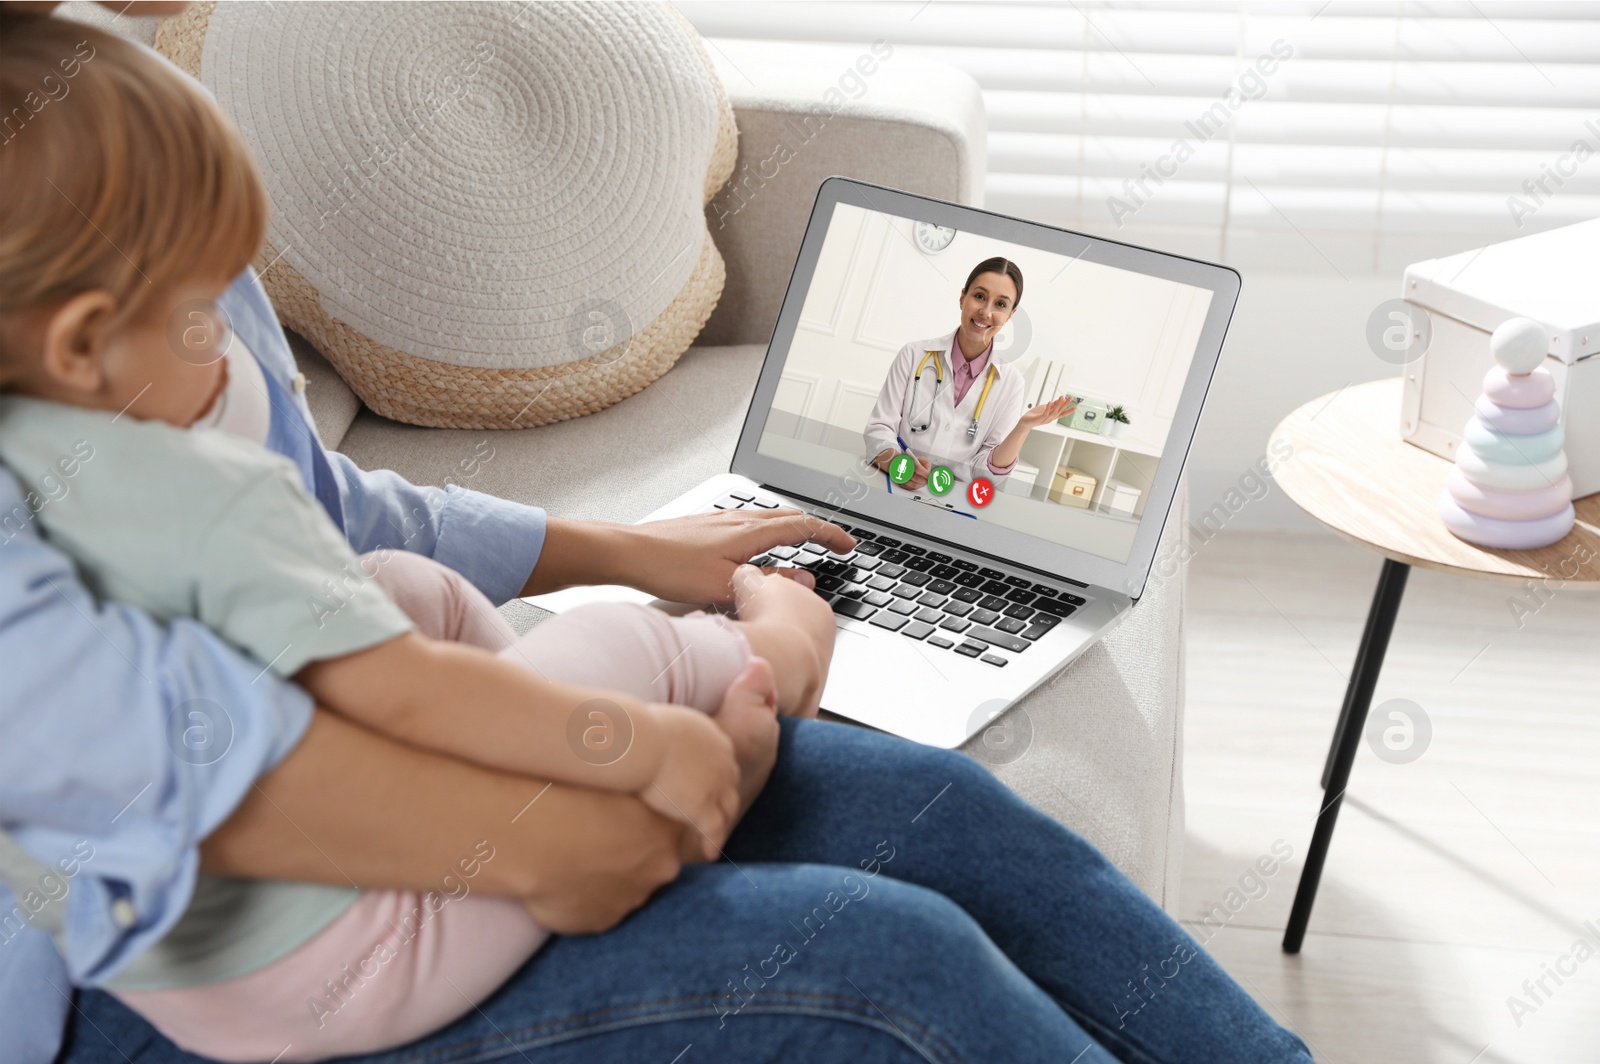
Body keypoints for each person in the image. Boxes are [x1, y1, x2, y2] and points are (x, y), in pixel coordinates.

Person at [0, 9, 1314, 1063]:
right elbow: (175, 760)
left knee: (938, 809)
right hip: (194, 976)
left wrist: (636, 554)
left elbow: (306, 508)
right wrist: (643, 763)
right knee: (887, 968)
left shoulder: (114, 128)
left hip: (358, 766)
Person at [864, 256, 1074, 492]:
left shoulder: (1011, 383)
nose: (986, 312)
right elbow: (879, 429)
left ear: (1010, 315)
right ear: (963, 297)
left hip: (952, 501)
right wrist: (897, 466)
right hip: (892, 486)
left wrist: (1022, 427)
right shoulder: (913, 355)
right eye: (980, 296)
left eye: (1001, 305)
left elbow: (986, 473)